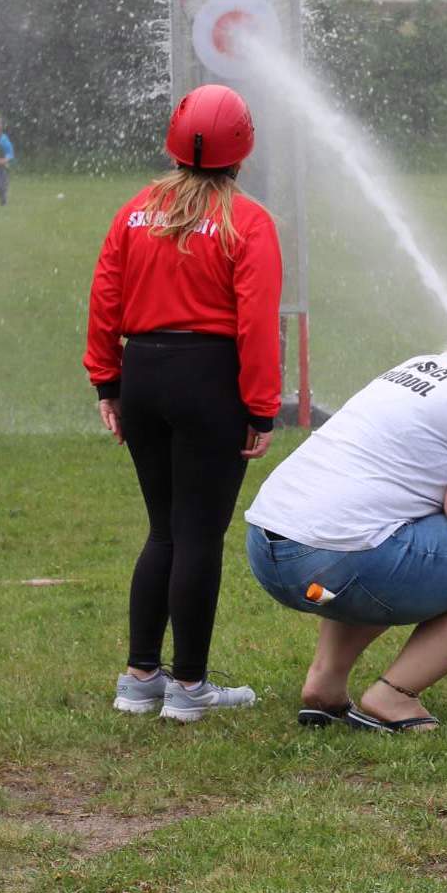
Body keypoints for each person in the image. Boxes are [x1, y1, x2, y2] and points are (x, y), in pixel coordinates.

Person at [244, 288, 447, 732]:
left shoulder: (420, 366)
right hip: (333, 566)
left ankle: (326, 683)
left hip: (269, 548)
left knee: (382, 526)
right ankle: (394, 694)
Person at [84, 84, 283, 723]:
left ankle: (140, 677)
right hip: (209, 382)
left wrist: (108, 382)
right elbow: (257, 323)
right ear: (243, 151)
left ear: (173, 142)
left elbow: (104, 298)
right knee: (198, 534)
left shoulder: (134, 213)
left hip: (143, 374)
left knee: (164, 530)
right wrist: (261, 407)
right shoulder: (249, 222)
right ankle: (190, 687)